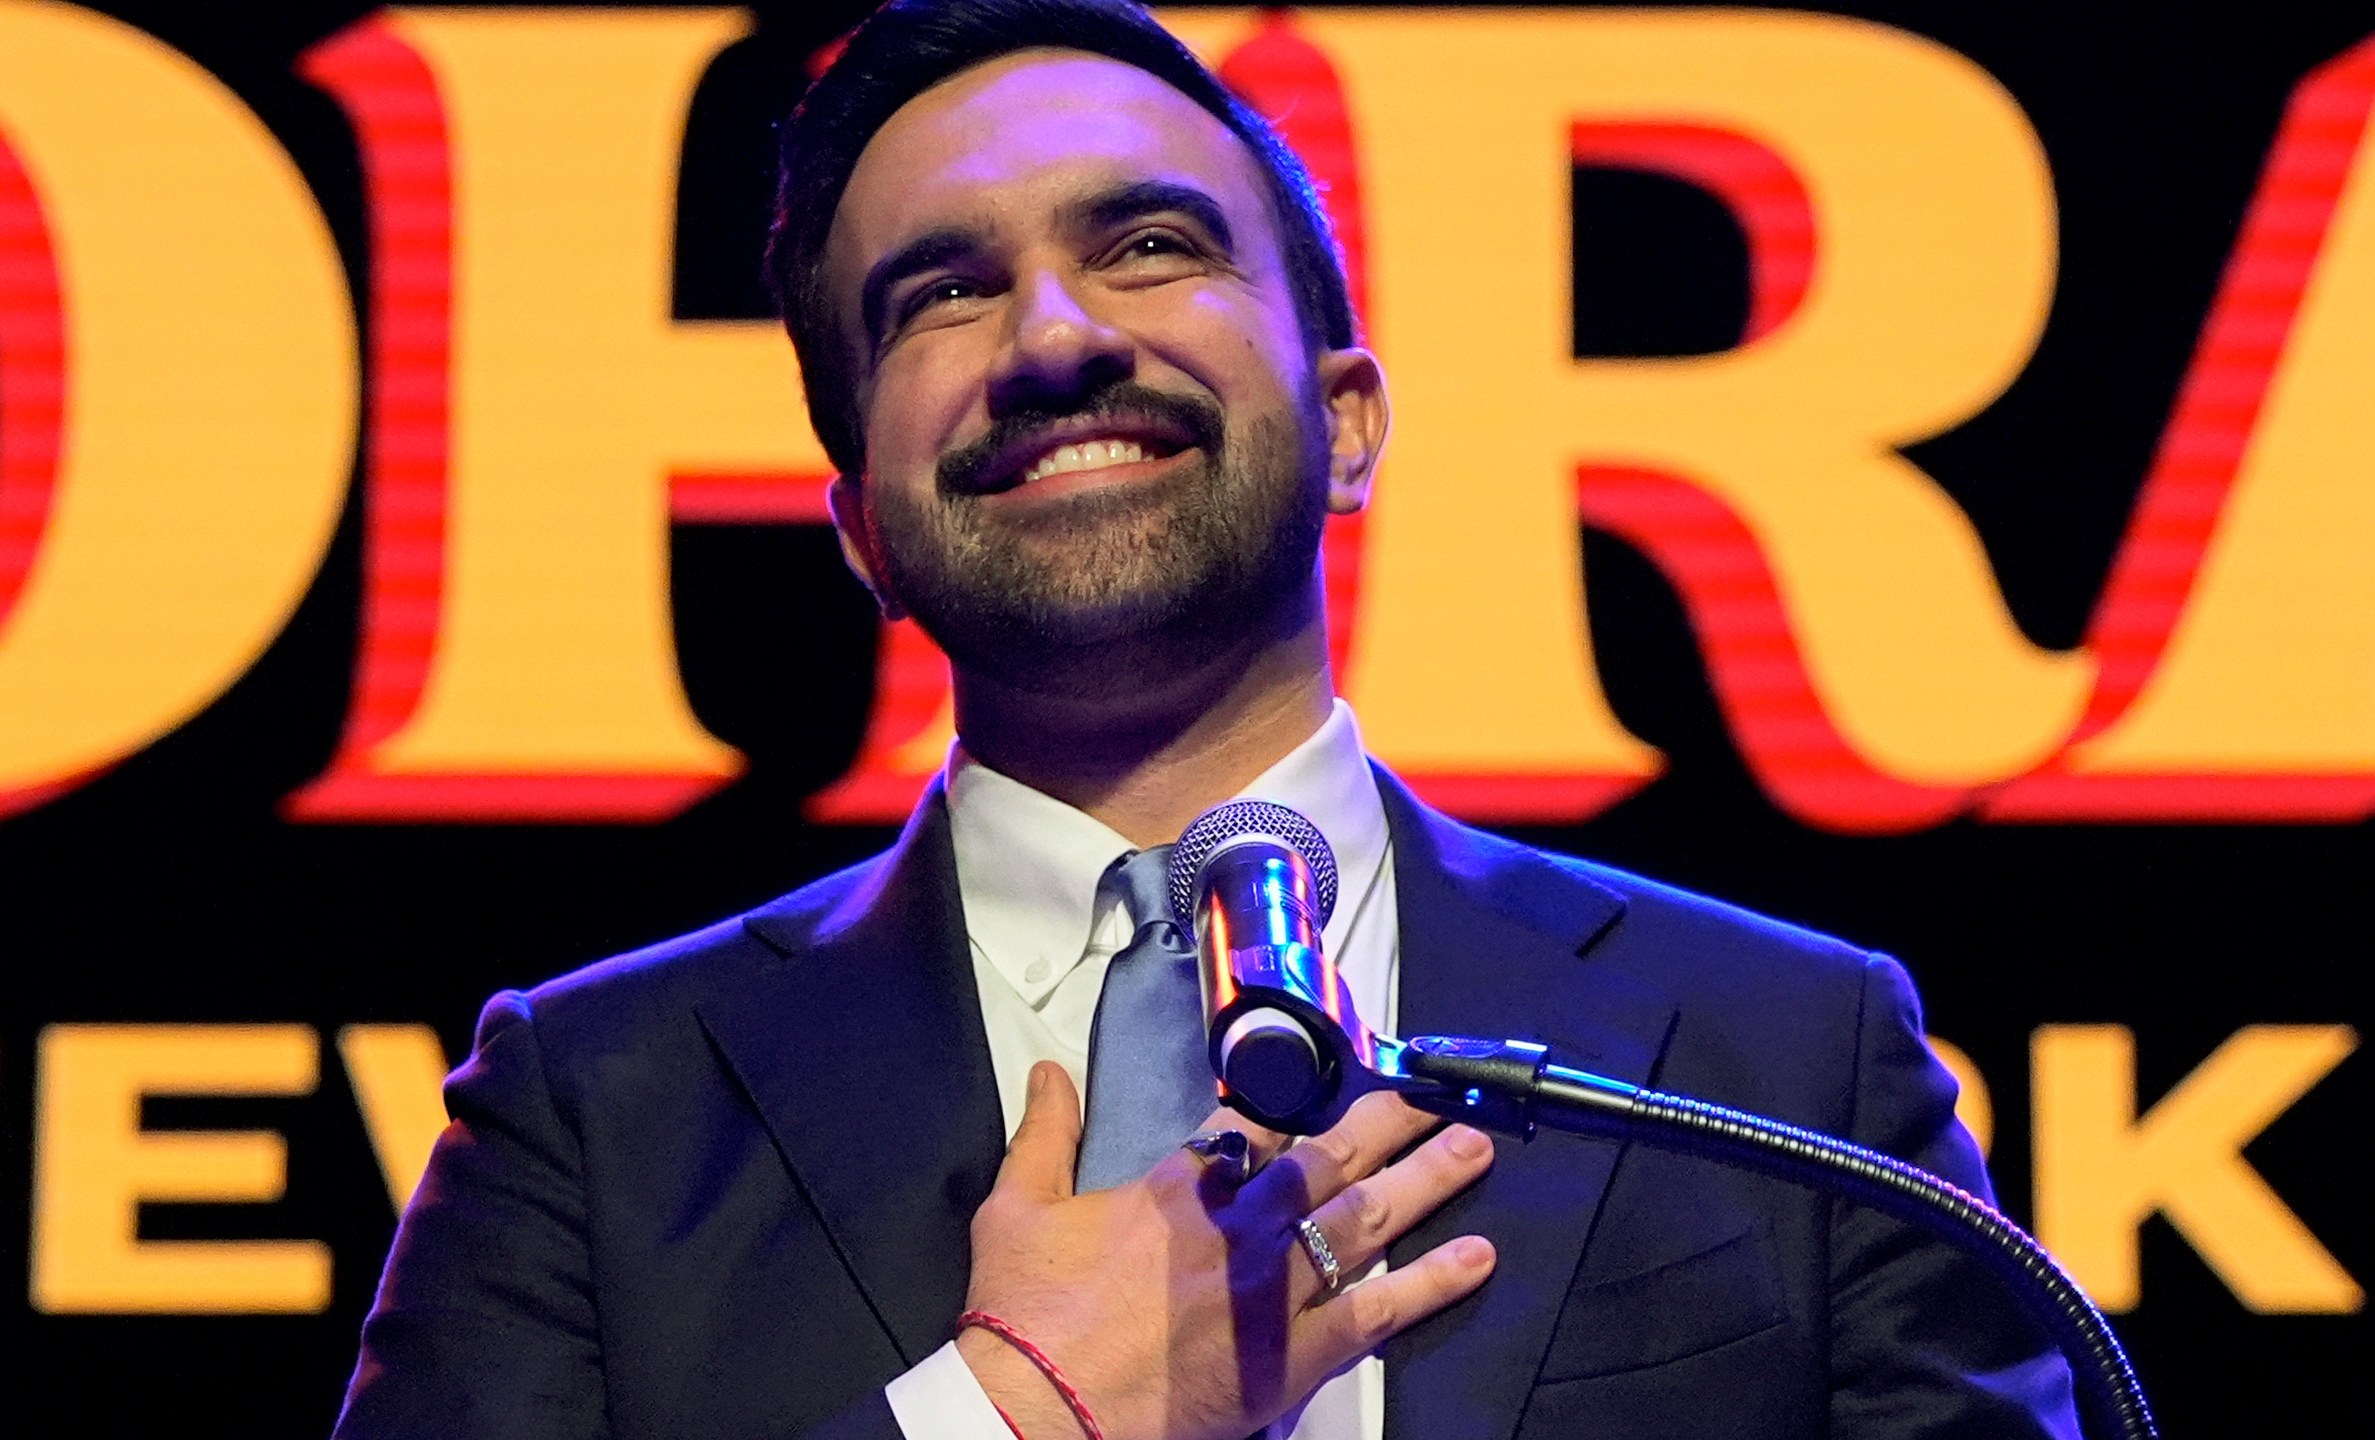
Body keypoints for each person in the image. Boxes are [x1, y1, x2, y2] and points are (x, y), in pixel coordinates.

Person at [333, 2, 2079, 1437]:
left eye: (1151, 245)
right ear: (862, 524)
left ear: (1348, 425)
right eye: (941, 293)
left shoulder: (1789, 1060)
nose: (1056, 336)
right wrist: (1002, 1418)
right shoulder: (593, 1114)